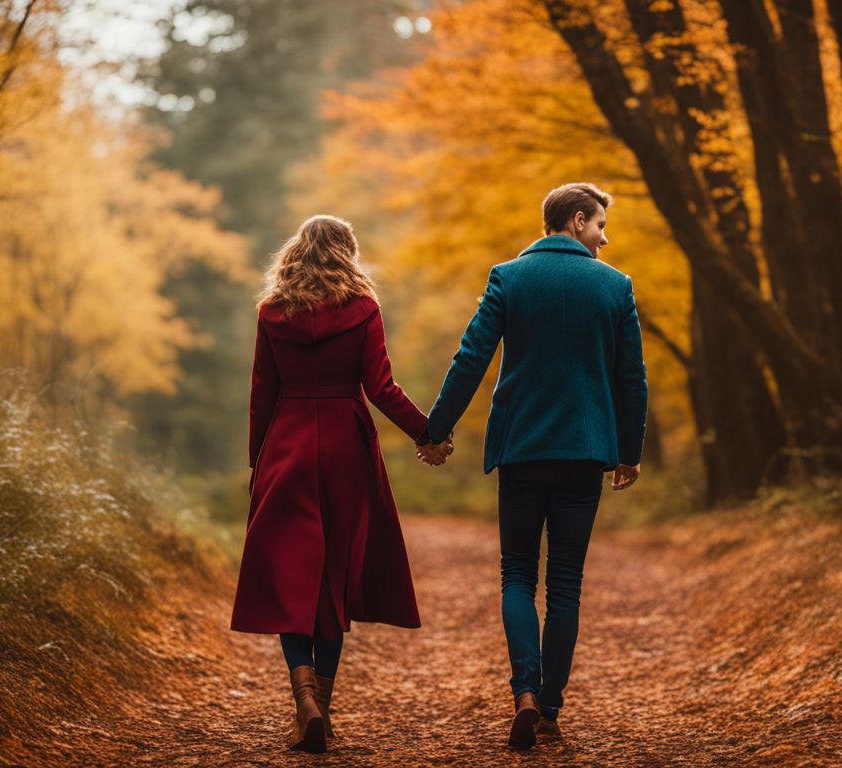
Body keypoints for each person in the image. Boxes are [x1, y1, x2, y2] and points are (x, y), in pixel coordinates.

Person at [417, 182, 647, 749]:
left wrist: (435, 430)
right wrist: (628, 451)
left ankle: (523, 691)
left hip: (521, 448)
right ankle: (548, 710)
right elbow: (630, 379)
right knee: (565, 582)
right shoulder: (615, 286)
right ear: (575, 221)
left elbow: (470, 357)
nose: (604, 237)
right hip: (586, 450)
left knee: (517, 574)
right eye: (599, 226)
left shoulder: (508, 277)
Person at [229, 214, 441, 754]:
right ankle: (320, 703)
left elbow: (262, 393)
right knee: (334, 575)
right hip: (346, 447)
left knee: (290, 576)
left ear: (296, 252)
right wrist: (429, 432)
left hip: (288, 447)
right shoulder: (363, 309)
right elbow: (382, 387)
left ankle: (303, 700)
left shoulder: (272, 312)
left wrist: (258, 463)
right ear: (347, 252)